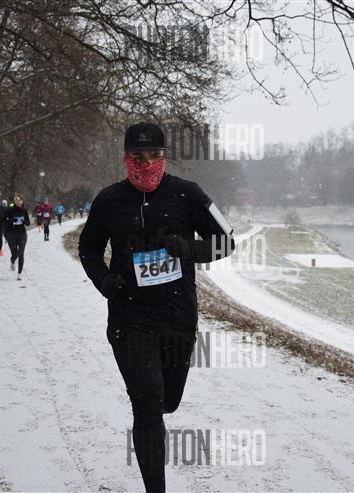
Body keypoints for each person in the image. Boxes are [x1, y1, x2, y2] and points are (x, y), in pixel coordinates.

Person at [78, 122, 235, 493]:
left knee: (168, 401)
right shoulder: (109, 200)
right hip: (129, 318)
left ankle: (158, 407)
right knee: (147, 404)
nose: (146, 164)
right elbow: (88, 247)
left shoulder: (187, 194)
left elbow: (226, 241)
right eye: (138, 156)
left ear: (165, 156)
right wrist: (103, 279)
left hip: (177, 318)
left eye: (154, 155)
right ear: (125, 158)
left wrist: (189, 249)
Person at [4, 194, 30, 280]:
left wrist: (23, 221)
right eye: (17, 200)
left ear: (22, 201)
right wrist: (12, 220)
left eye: (20, 200)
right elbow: (5, 221)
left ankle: (19, 274)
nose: (18, 202)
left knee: (21, 254)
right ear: (14, 201)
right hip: (12, 234)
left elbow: (28, 223)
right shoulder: (10, 210)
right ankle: (12, 261)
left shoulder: (24, 210)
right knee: (15, 254)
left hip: (22, 234)